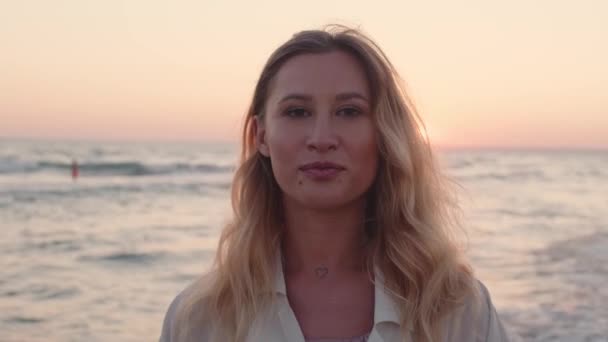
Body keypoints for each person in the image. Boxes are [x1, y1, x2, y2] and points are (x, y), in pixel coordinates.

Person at [160, 25, 515, 342]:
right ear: (261, 136)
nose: (322, 138)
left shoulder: (454, 307)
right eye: (297, 112)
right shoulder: (200, 319)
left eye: (349, 112)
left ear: (384, 134)